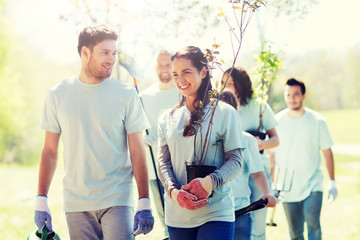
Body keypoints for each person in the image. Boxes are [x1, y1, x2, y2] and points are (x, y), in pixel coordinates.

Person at [34, 24, 154, 240]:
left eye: (114, 53)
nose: (111, 59)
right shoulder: (58, 94)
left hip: (117, 197)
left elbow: (137, 151)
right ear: (85, 53)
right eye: (105, 53)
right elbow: (50, 150)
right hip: (76, 201)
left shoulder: (126, 95)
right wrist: (41, 199)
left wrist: (144, 201)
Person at [157, 46, 245, 240]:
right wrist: (174, 193)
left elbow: (236, 161)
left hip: (216, 214)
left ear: (203, 72)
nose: (180, 80)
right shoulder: (166, 118)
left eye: (186, 72)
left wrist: (208, 183)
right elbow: (163, 162)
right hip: (177, 215)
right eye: (175, 74)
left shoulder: (225, 113)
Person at [270, 78, 338, 240]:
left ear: (303, 96)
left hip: (313, 185)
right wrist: (272, 185)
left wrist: (333, 183)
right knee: (295, 234)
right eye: (288, 95)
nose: (292, 98)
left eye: (296, 94)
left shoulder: (317, 121)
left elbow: (327, 153)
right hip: (287, 188)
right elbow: (271, 157)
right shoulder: (276, 123)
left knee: (314, 226)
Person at [221, 67, 279, 240]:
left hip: (256, 167)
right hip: (236, 175)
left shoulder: (259, 106)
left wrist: (259, 143)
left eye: (231, 83)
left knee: (258, 223)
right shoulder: (222, 106)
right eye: (224, 83)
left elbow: (275, 140)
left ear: (241, 84)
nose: (227, 86)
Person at [140, 50, 180, 239]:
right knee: (164, 217)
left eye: (167, 65)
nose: (164, 70)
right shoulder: (143, 97)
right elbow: (133, 127)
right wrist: (141, 137)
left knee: (182, 217)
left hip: (179, 166)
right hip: (153, 167)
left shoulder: (182, 92)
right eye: (160, 65)